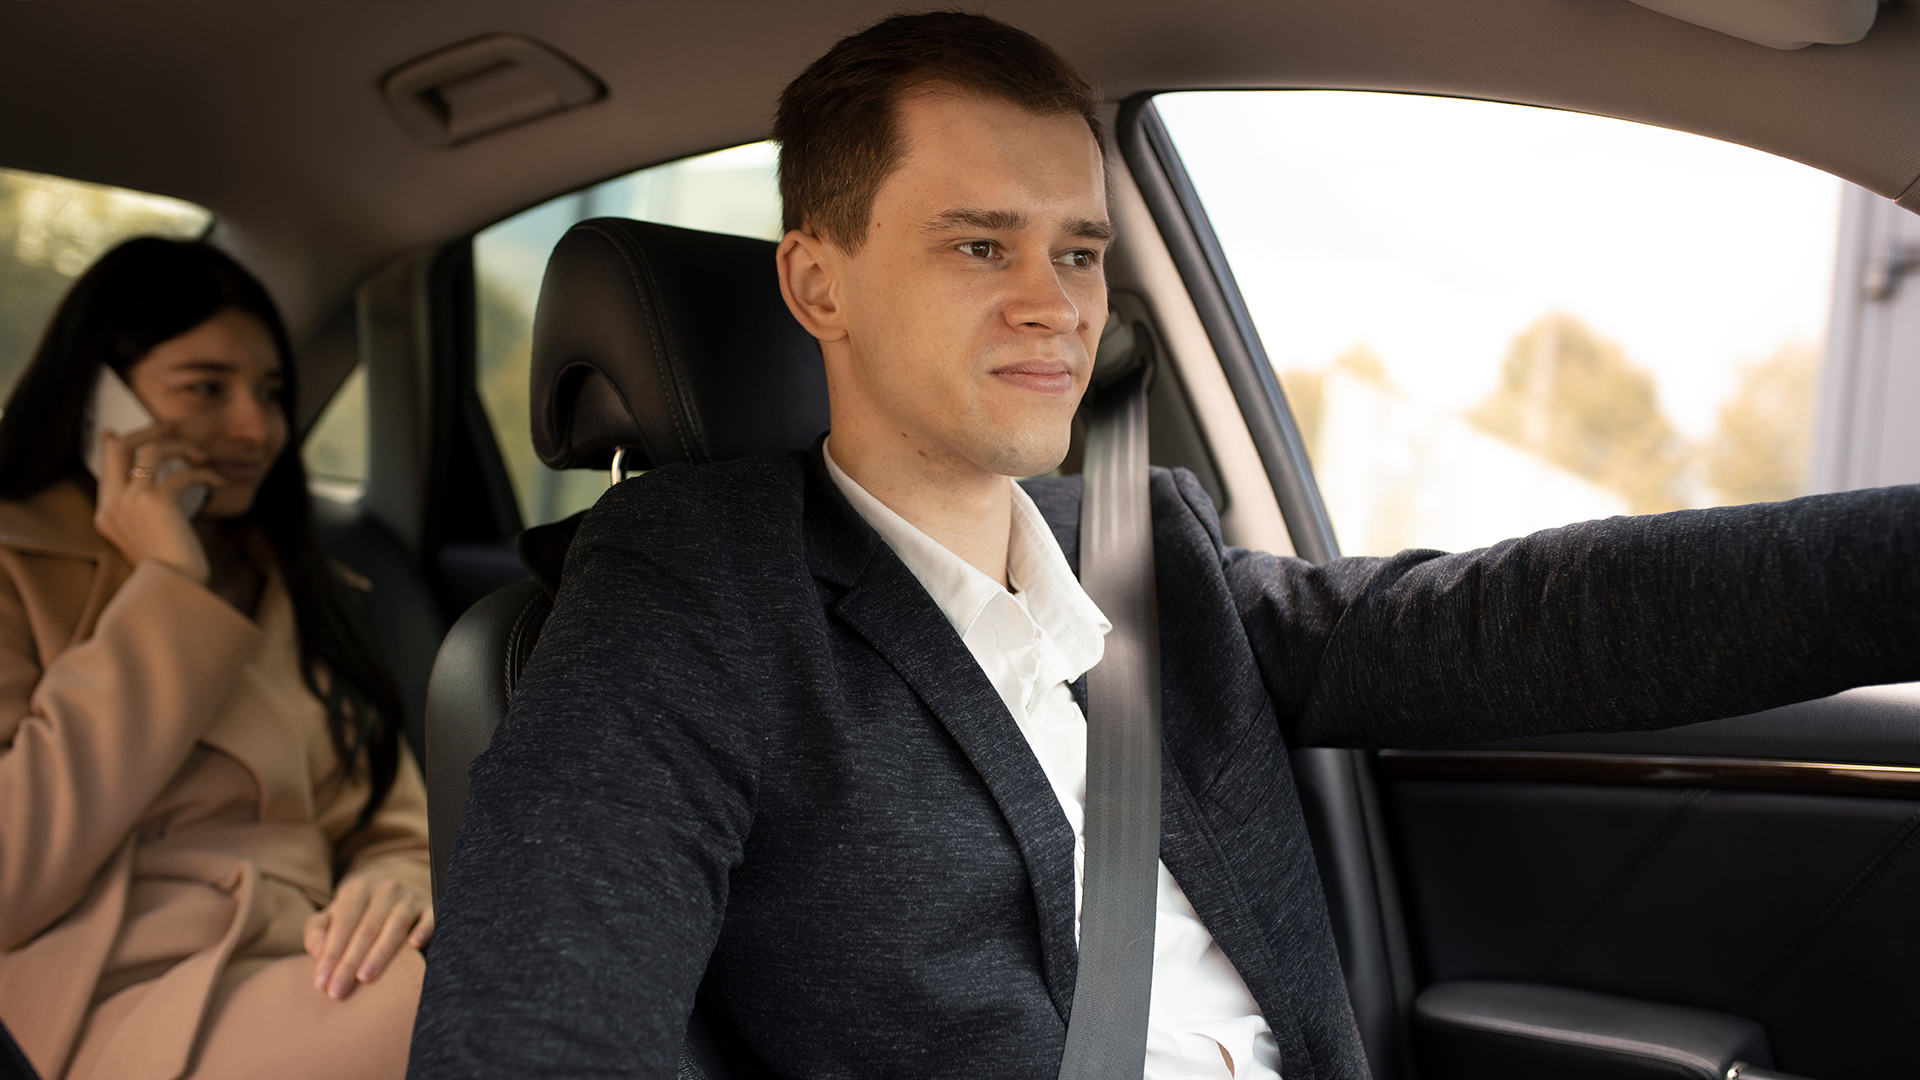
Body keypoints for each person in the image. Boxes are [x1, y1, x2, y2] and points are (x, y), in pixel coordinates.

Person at [409, 12, 1920, 1080]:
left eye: (1077, 251)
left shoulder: (1146, 555)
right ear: (818, 282)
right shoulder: (693, 587)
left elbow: (1526, 616)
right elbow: (544, 1016)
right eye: (978, 244)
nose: (1057, 304)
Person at [0, 238, 431, 1080]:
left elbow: (390, 817)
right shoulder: (14, 565)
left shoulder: (301, 581)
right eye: (206, 387)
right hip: (112, 985)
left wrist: (394, 883)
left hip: (310, 957)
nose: (257, 427)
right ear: (101, 400)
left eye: (270, 392)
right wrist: (166, 586)